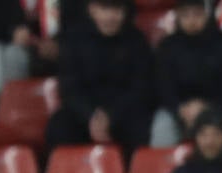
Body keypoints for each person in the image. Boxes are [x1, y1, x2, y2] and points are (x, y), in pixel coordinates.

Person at [44, 0, 155, 157]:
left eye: (116, 10)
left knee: (142, 127)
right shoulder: (74, 40)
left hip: (123, 112)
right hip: (85, 112)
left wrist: (111, 116)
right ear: (92, 10)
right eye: (104, 9)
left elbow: (141, 89)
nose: (110, 16)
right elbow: (69, 89)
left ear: (124, 13)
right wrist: (90, 117)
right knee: (59, 127)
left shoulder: (137, 41)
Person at [151, 0, 222, 148]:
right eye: (185, 15)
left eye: (197, 14)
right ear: (178, 17)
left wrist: (207, 108)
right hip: (181, 112)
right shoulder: (167, 46)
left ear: (208, 14)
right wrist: (180, 109)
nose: (192, 21)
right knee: (162, 125)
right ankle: (160, 171)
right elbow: (162, 88)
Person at [0, 0, 30, 102]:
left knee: (14, 54)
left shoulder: (9, 2)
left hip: (10, 49)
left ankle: (14, 105)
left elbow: (20, 27)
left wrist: (21, 32)